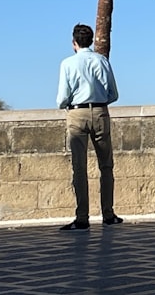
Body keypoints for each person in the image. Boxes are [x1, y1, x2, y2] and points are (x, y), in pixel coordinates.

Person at [56, 23, 122, 231]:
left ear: (74, 43)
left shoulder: (67, 63)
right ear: (91, 40)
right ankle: (108, 213)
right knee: (106, 165)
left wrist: (66, 104)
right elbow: (114, 93)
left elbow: (62, 96)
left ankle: (82, 217)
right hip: (100, 111)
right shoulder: (102, 61)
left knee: (79, 167)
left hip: (77, 113)